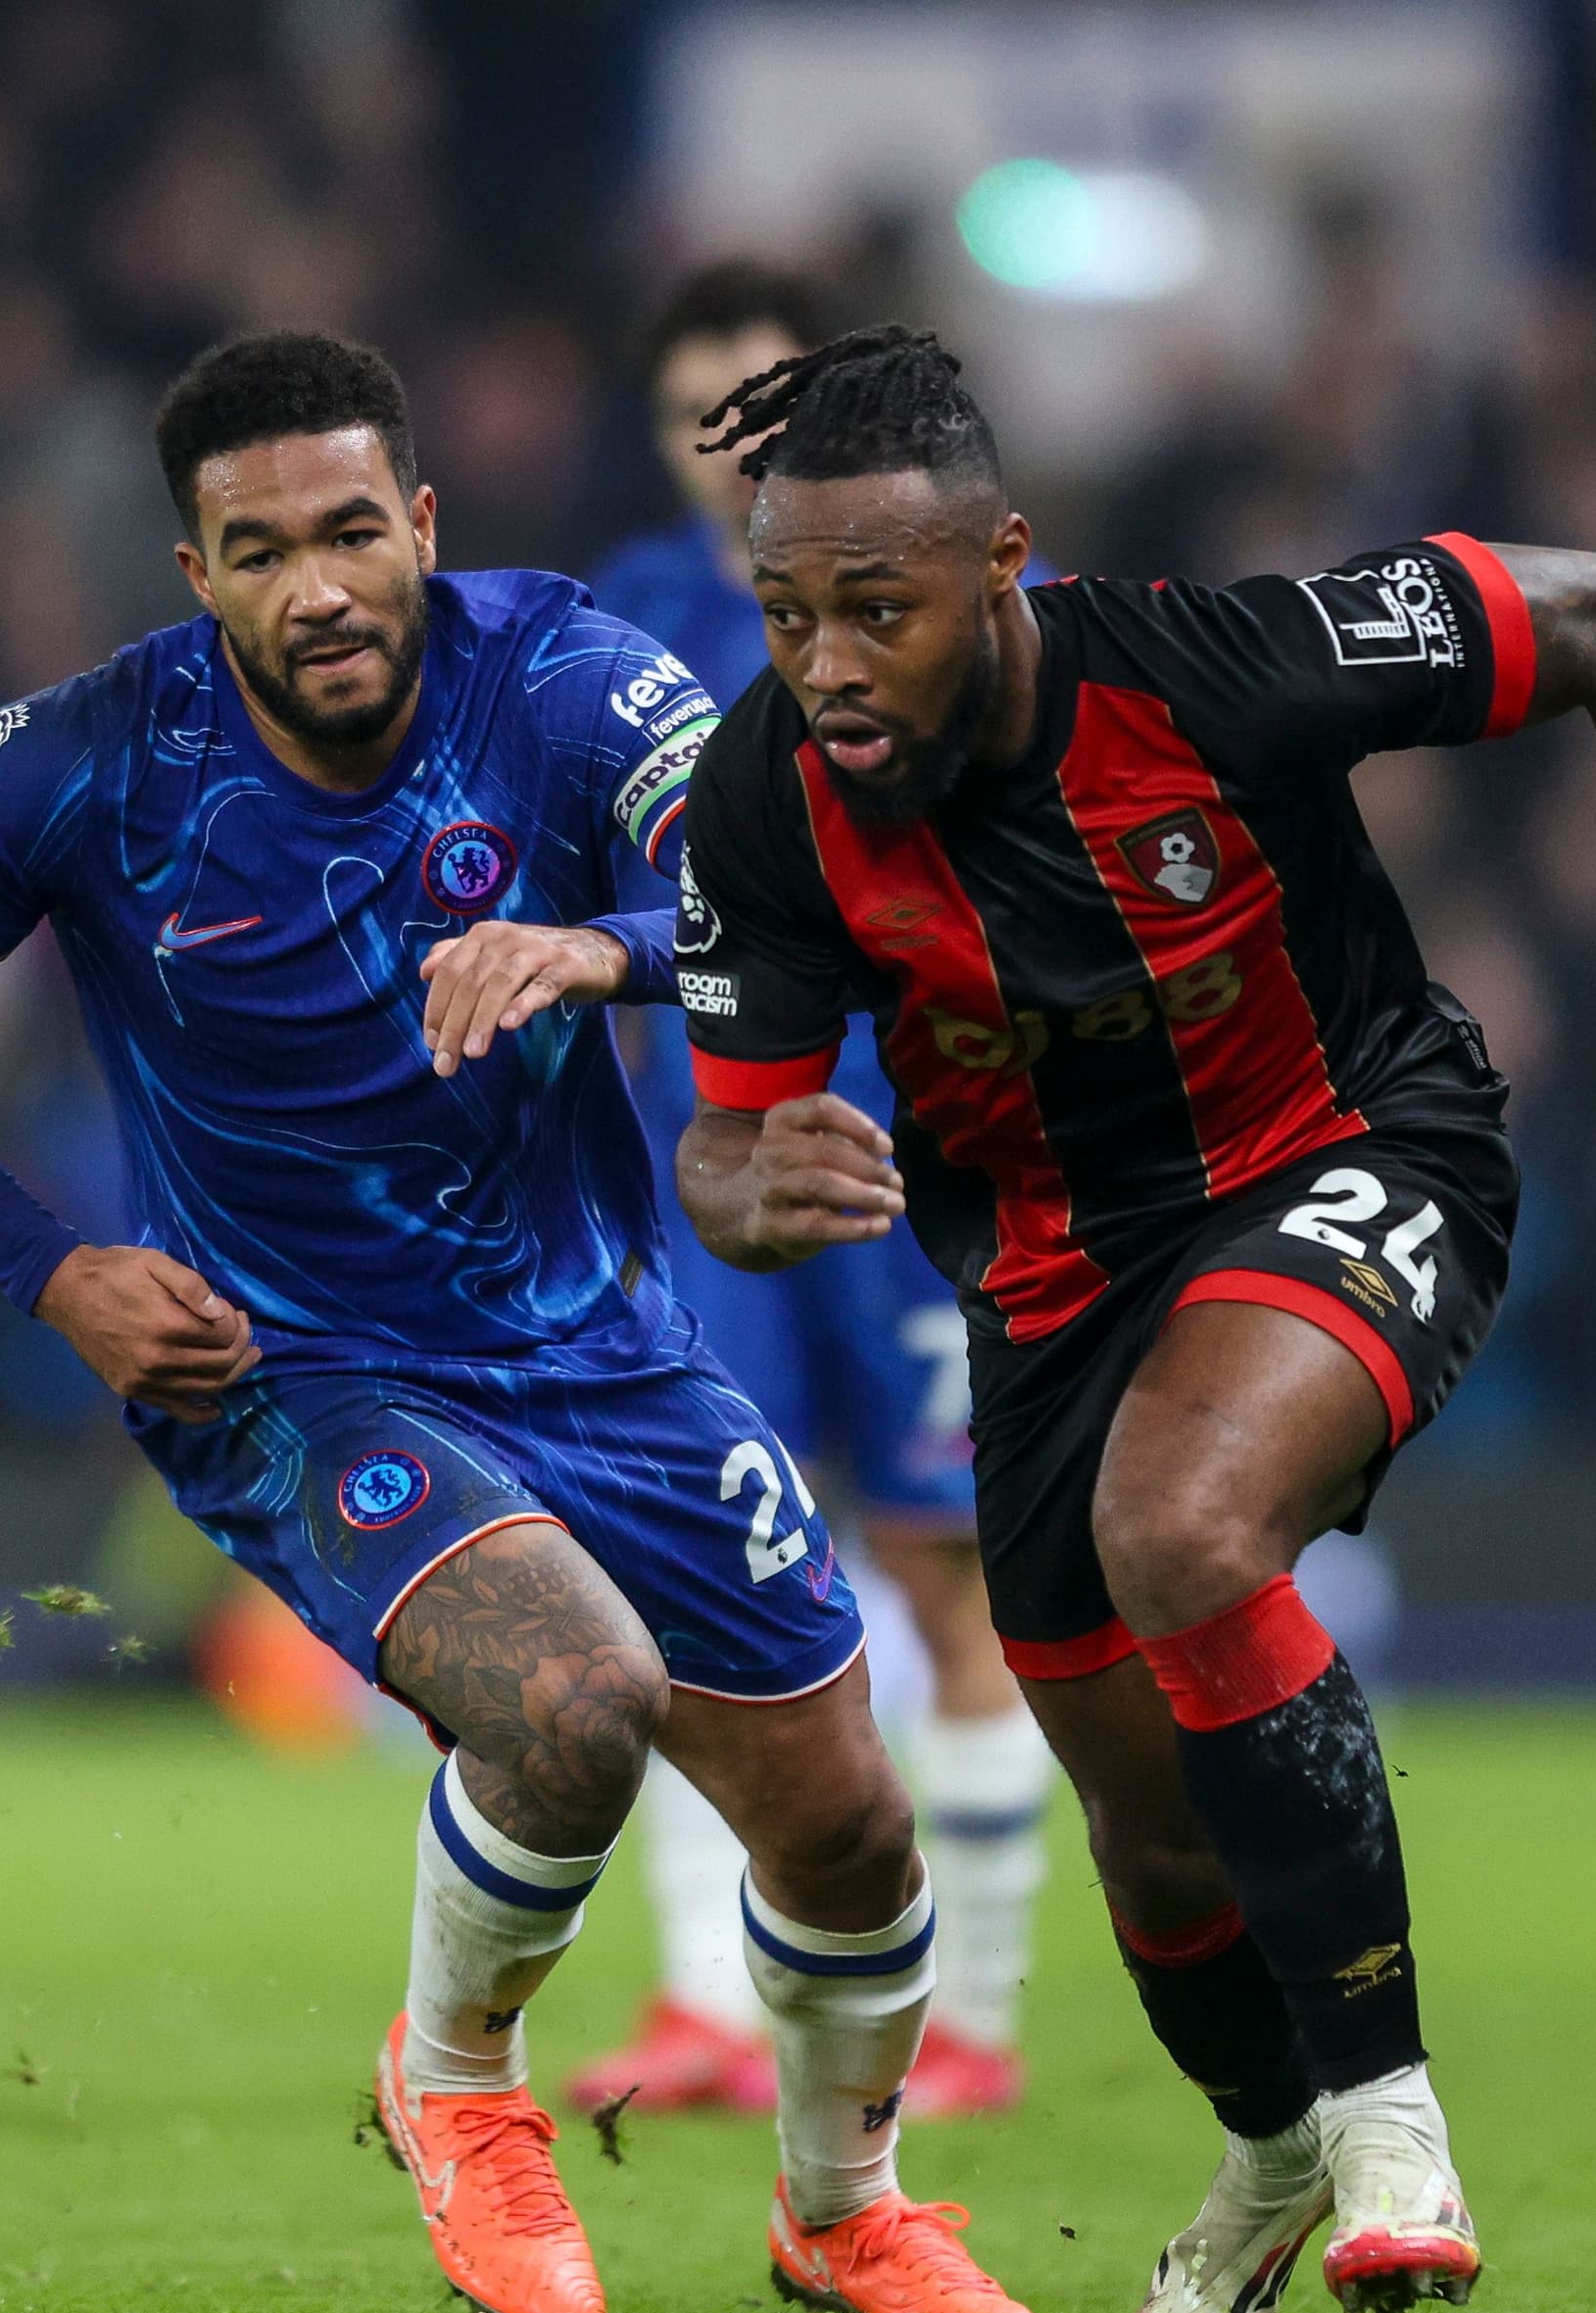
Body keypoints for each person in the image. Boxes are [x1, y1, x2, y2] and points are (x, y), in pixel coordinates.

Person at [0, 332, 1030, 2313]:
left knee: (852, 1823)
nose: (320, 585)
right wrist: (51, 1261)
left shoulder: (560, 673)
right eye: (259, 550)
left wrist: (593, 943)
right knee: (575, 1698)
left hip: (603, 1350)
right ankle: (455, 2083)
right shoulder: (84, 760)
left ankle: (842, 2206)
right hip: (288, 1375)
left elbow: (759, 869)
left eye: (354, 529)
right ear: (195, 573)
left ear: (421, 523)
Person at [668, 329, 1596, 2313]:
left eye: (878, 611)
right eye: (788, 612)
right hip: (1058, 1292)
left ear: (1007, 564)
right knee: (1143, 1819)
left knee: (1182, 1525)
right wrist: (756, 1180)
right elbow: (725, 1151)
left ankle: (1388, 2118)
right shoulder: (763, 800)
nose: (826, 664)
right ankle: (1267, 2142)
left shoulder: (1217, 663)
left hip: (1351, 1151)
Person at [575, 262, 1050, 2123]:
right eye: (704, 412)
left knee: (947, 1568)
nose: (734, 448)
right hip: (713, 1157)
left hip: (927, 1131)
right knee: (692, 1566)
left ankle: (984, 2026)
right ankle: (707, 1998)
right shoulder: (624, 621)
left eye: (765, 402)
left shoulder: (946, 597)